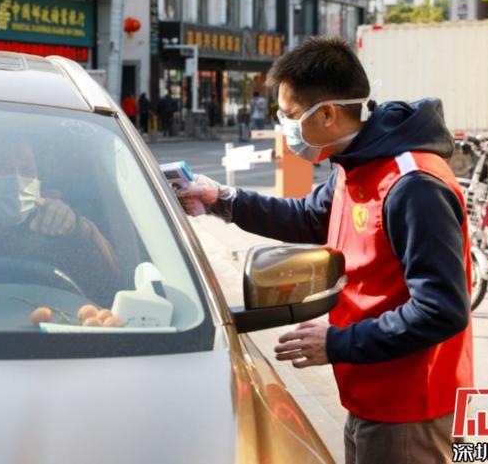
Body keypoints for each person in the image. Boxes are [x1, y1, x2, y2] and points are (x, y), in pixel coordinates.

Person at [177, 37, 472, 463]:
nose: (285, 128)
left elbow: (441, 309)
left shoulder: (413, 185)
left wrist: (337, 343)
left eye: (291, 116)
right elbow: (309, 217)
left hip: (408, 403)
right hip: (370, 390)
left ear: (328, 114)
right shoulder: (356, 162)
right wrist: (221, 198)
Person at [0, 134, 121, 305]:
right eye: (1, 169)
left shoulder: (58, 231)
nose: (16, 180)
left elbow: (116, 288)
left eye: (26, 172)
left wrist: (79, 229)